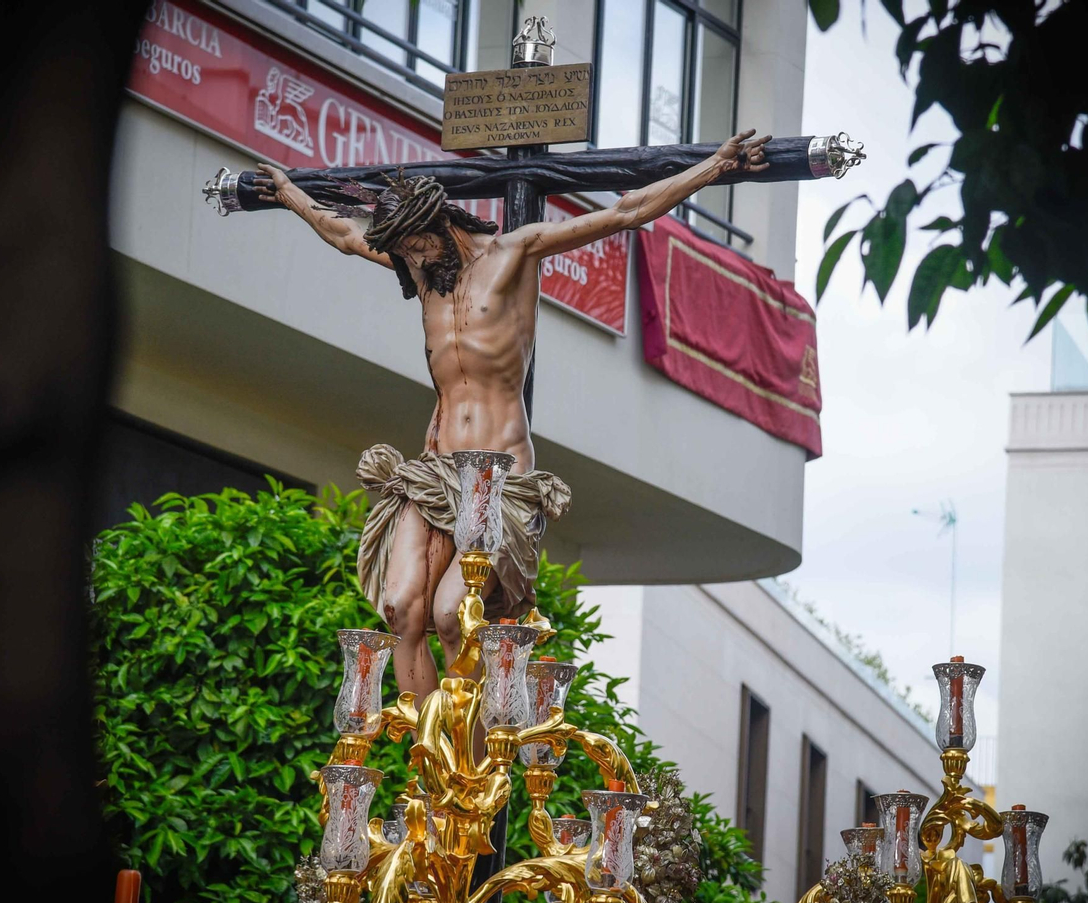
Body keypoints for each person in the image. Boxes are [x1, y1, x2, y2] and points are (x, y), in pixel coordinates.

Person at [252, 130, 773, 698]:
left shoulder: (514, 254)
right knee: (401, 609)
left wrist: (712, 168)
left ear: (442, 226)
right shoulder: (422, 271)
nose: (409, 261)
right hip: (434, 471)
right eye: (401, 253)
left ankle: (470, 769)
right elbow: (344, 235)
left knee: (453, 615)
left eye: (415, 248)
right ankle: (434, 771)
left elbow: (626, 212)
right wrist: (287, 194)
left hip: (498, 478)